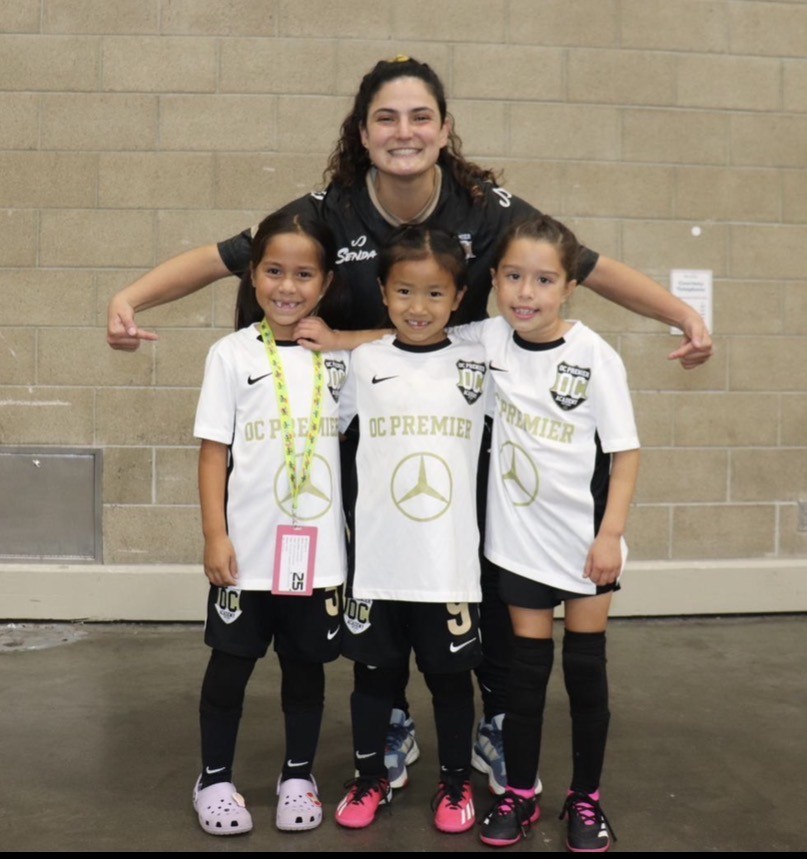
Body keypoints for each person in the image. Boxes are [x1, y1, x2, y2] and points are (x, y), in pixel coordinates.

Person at [107, 56, 711, 794]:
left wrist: (681, 314)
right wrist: (130, 299)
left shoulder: (484, 208)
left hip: (458, 427)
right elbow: (222, 257)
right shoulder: (330, 210)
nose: (404, 132)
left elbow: (586, 266)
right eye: (386, 118)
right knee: (382, 577)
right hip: (366, 427)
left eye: (420, 116)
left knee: (479, 574)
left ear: (444, 129)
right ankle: (389, 717)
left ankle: (494, 717)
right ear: (362, 133)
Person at [449, 214, 639, 851]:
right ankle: (521, 794)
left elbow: (625, 455)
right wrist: (337, 337)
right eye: (512, 277)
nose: (525, 292)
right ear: (495, 280)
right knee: (524, 681)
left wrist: (609, 536)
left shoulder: (594, 356)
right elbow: (414, 331)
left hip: (585, 547)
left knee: (584, 673)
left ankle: (585, 799)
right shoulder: (490, 338)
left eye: (543, 280)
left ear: (569, 288)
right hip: (520, 547)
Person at [192, 211, 349, 836]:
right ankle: (214, 779)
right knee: (230, 667)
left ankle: (297, 775)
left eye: (304, 274)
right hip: (247, 554)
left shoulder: (339, 359)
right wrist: (215, 535)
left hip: (318, 557)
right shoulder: (231, 355)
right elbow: (213, 453)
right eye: (274, 271)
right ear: (253, 276)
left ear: (327, 282)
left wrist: (343, 339)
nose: (288, 286)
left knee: (305, 670)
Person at [333, 227, 487, 834]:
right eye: (403, 291)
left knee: (449, 680)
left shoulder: (480, 361)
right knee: (373, 677)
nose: (417, 307)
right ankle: (370, 777)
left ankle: (455, 784)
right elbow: (322, 431)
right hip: (378, 561)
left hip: (448, 562)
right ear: (382, 291)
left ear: (459, 297)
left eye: (434, 293)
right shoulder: (364, 362)